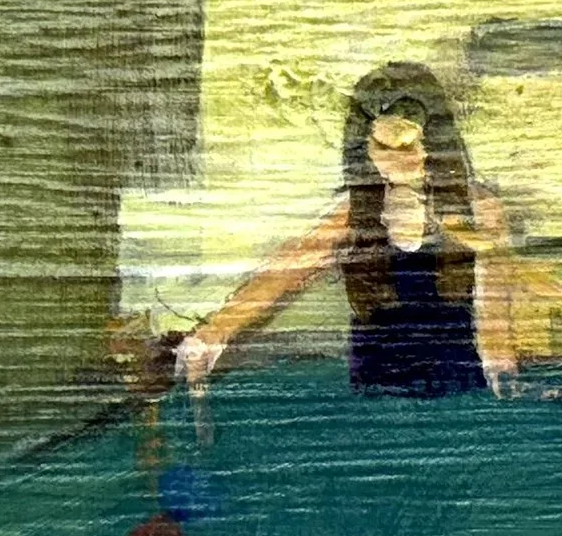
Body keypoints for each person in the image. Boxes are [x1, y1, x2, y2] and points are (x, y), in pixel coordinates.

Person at [173, 63, 542, 398]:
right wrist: (213, 334)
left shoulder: (479, 208)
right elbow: (283, 272)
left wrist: (502, 371)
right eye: (383, 146)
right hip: (376, 384)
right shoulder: (353, 213)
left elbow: (494, 303)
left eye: (408, 145)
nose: (397, 160)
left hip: (457, 379)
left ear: (434, 142)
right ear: (364, 146)